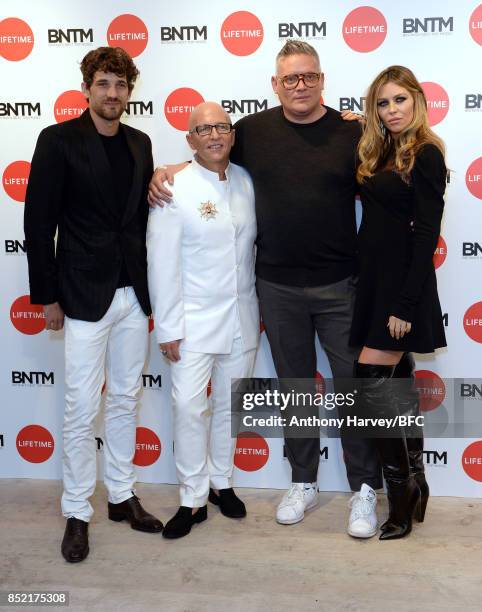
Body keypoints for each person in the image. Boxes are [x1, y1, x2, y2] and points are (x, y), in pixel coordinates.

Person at [148, 40, 383, 538]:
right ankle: (303, 481)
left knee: (354, 390)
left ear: (323, 80)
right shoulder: (250, 131)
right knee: (296, 390)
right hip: (276, 289)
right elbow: (207, 159)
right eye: (290, 79)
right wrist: (163, 171)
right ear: (275, 86)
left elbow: (389, 188)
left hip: (341, 287)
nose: (300, 86)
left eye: (309, 77)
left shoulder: (351, 133)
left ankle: (365, 488)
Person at [24, 47, 163, 563]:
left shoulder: (141, 142)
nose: (112, 94)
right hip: (82, 294)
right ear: (87, 87)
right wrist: (49, 297)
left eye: (121, 85)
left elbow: (140, 216)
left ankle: (123, 496)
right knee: (82, 409)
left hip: (133, 293)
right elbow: (39, 224)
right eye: (103, 83)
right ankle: (77, 510)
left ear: (130, 91)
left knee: (126, 399)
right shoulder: (58, 140)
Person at [146, 102, 259, 539]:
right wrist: (169, 326)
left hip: (243, 316)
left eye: (221, 127)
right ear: (190, 139)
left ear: (232, 135)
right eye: (203, 129)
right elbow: (161, 262)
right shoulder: (173, 186)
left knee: (231, 407)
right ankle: (191, 498)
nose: (214, 135)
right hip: (192, 321)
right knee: (190, 407)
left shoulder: (247, 181)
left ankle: (221, 482)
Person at [350, 65, 447, 539]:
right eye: (382, 103)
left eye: (399, 100)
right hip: (373, 281)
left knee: (369, 380)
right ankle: (418, 479)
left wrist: (406, 305)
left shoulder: (426, 153)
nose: (391, 111)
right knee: (397, 380)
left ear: (417, 100)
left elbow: (427, 233)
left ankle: (400, 496)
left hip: (401, 288)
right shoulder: (382, 149)